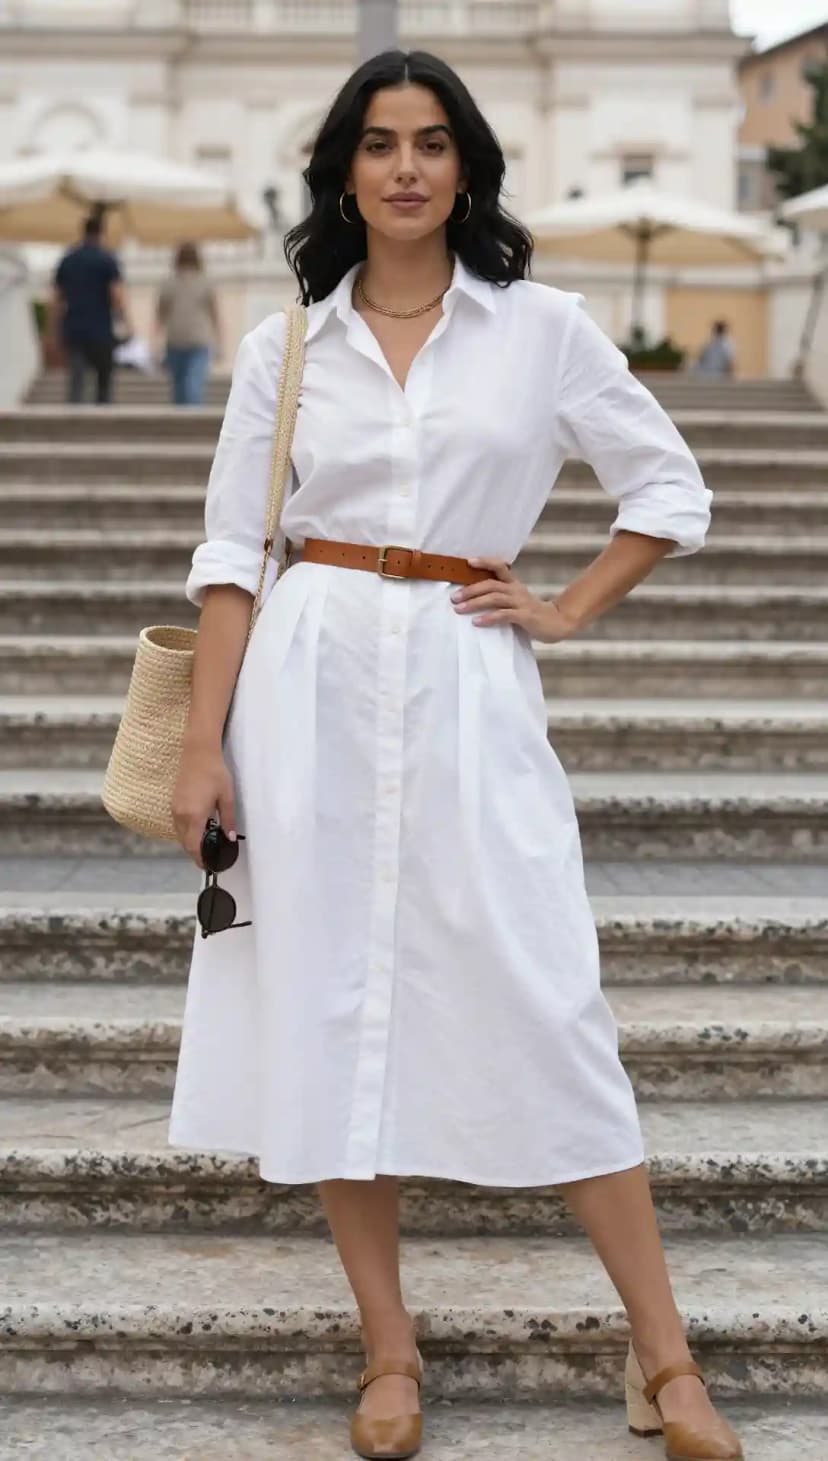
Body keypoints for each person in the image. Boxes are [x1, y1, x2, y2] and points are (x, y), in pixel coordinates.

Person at [167, 49, 742, 1461]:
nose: (406, 167)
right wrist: (201, 747)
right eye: (379, 143)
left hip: (468, 681)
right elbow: (236, 553)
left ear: (468, 166)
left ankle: (664, 1357)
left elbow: (668, 487)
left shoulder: (542, 329)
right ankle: (389, 1349)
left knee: (550, 998)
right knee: (327, 1005)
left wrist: (570, 605)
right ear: (344, 173)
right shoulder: (287, 346)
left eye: (431, 142)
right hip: (307, 684)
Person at [49, 213, 131, 405]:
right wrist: (125, 322)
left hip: (74, 327)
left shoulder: (68, 260)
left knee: (76, 382)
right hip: (101, 329)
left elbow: (56, 299)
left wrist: (52, 330)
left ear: (83, 231)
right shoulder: (107, 259)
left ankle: (74, 418)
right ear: (101, 233)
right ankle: (102, 417)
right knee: (103, 383)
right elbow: (116, 296)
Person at [155, 242, 221, 405]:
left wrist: (155, 343)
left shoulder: (169, 283)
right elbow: (215, 316)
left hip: (178, 342)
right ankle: (191, 418)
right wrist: (219, 342)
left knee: (182, 390)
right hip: (196, 341)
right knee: (190, 389)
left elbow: (160, 316)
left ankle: (186, 419)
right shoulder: (205, 282)